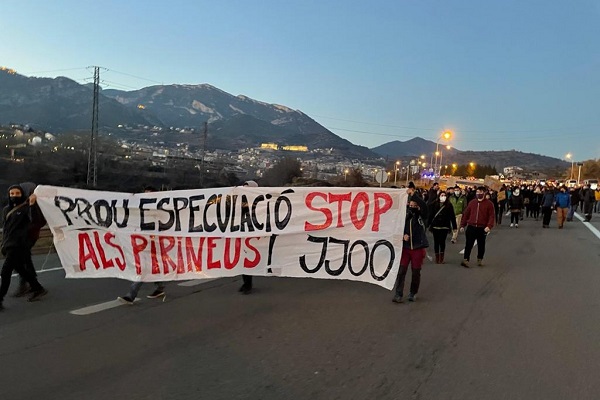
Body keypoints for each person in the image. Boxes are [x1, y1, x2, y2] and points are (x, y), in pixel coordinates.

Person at [1, 185, 48, 310]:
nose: (14, 196)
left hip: (20, 244)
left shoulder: (27, 208)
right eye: (12, 193)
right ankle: (37, 288)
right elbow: (6, 228)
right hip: (9, 244)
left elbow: (35, 221)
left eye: (17, 193)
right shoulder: (6, 210)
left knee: (5, 271)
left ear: (22, 194)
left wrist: (32, 204)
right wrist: (3, 244)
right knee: (21, 269)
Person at [118, 186, 166, 304]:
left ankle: (131, 295)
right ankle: (159, 288)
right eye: (145, 195)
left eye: (149, 195)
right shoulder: (140, 210)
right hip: (144, 244)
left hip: (156, 245)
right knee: (151, 268)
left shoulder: (161, 211)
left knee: (143, 270)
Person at [393, 196, 429, 303]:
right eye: (411, 205)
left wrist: (414, 195)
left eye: (415, 205)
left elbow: (425, 207)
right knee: (401, 271)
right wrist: (403, 236)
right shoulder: (405, 216)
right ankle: (398, 294)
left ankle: (413, 293)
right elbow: (397, 229)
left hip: (417, 248)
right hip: (406, 248)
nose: (412, 207)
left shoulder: (422, 216)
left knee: (415, 272)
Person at [460, 186, 495, 268]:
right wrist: (462, 225)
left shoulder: (489, 204)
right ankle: (466, 259)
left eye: (480, 192)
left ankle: (480, 258)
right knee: (468, 244)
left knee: (481, 245)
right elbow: (466, 214)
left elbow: (491, 216)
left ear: (484, 193)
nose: (478, 194)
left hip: (482, 228)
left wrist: (489, 226)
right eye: (477, 192)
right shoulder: (472, 203)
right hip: (471, 226)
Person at [239, 180, 259, 294]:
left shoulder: (259, 203)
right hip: (243, 234)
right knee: (244, 260)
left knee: (249, 260)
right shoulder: (240, 203)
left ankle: (248, 284)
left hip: (253, 236)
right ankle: (246, 283)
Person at [428, 191, 457, 264]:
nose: (443, 196)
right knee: (436, 242)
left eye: (444, 195)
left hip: (444, 226)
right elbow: (431, 215)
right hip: (435, 226)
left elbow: (452, 217)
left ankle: (441, 258)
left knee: (442, 242)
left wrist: (454, 227)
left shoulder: (449, 205)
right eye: (441, 195)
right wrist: (428, 224)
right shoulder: (434, 204)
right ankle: (437, 257)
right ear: (439, 196)